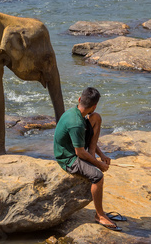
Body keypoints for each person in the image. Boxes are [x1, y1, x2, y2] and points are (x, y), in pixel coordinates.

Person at [54, 87, 123, 231]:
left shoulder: (75, 112)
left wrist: (101, 155)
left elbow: (84, 137)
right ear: (94, 105)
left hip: (74, 147)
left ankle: (91, 154)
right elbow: (79, 152)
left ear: (79, 100)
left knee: (96, 118)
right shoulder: (77, 124)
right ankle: (100, 215)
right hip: (67, 157)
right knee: (97, 176)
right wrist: (98, 164)